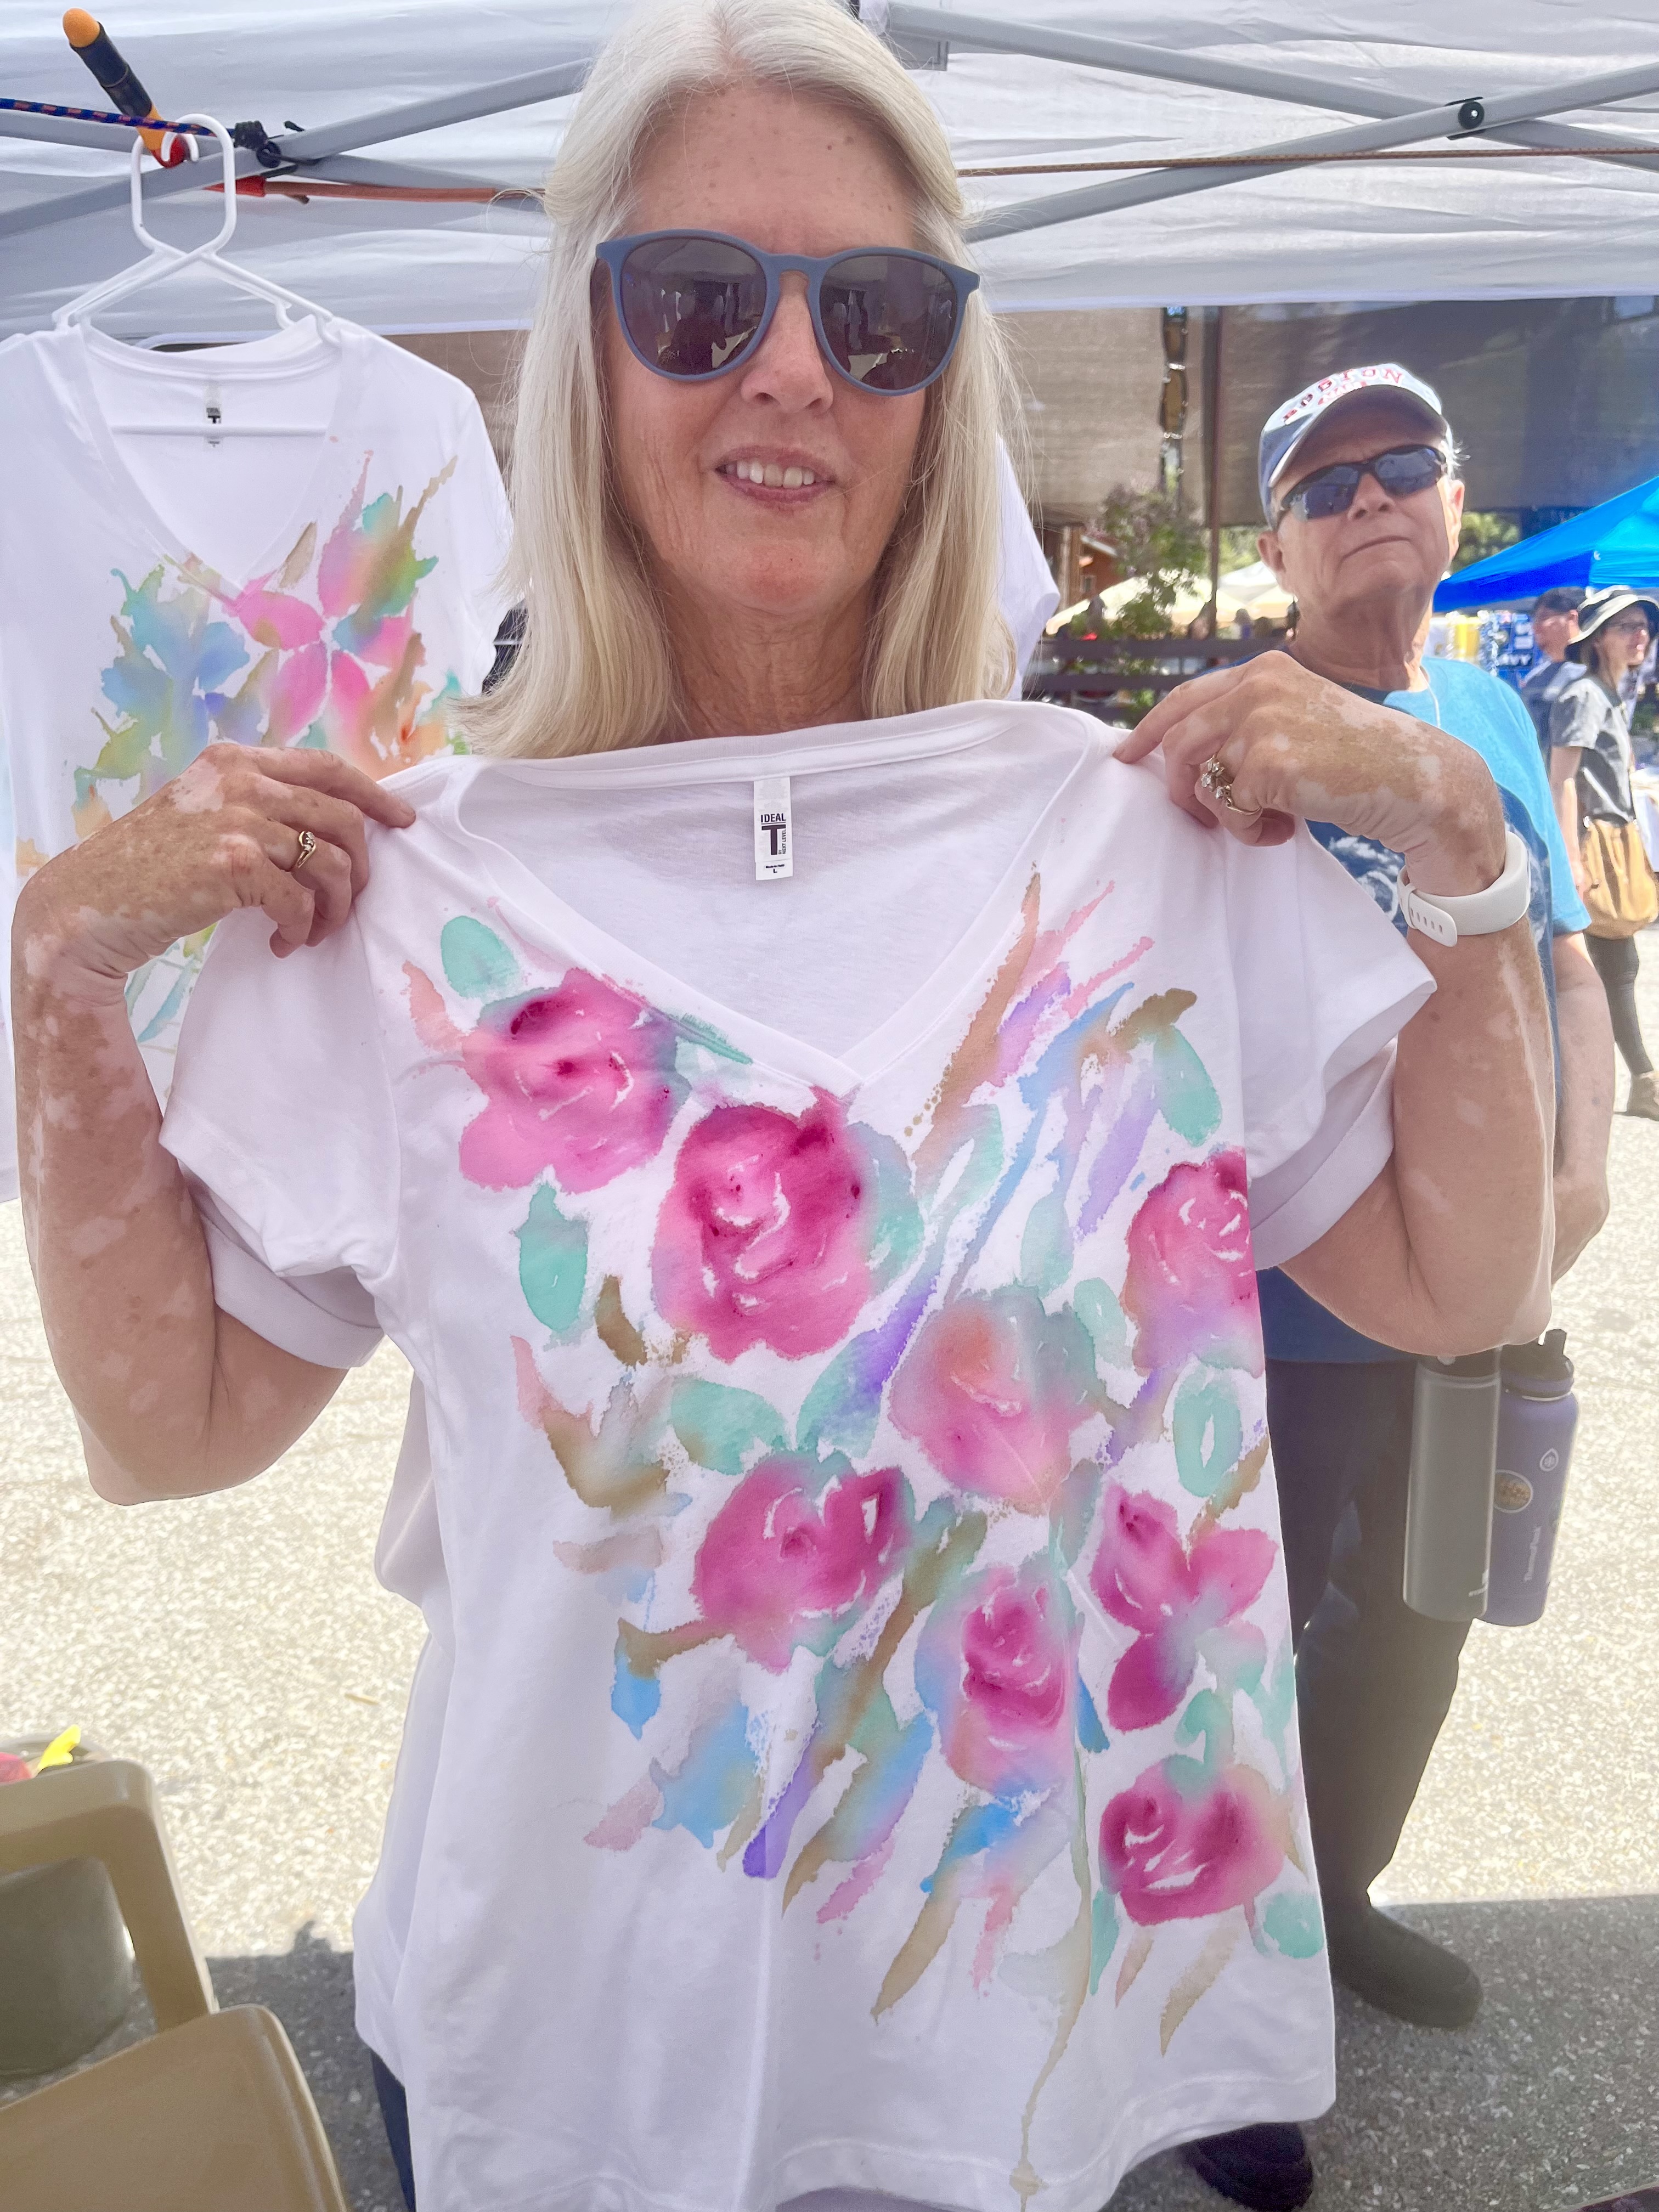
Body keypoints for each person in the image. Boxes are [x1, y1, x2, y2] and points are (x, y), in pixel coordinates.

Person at [13, 14, 1555, 2211]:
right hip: (571, 2065)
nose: (794, 370)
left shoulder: (1144, 846)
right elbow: (172, 1432)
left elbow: (1461, 1281)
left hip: (1011, 2071)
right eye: (697, 300)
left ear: (942, 379)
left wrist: (1468, 854)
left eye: (879, 314)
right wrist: (61, 974)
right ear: (587, 354)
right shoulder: (402, 903)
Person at [1180, 363, 1614, 2212]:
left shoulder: (1494, 715)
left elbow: (1563, 961)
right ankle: (1218, 2008)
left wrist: (1578, 1169)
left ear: (1454, 502)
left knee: (1421, 1615)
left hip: (1475, 1279)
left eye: (1403, 464)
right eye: (1324, 482)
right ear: (1277, 547)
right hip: (1273, 1305)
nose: (1370, 497)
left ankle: (1339, 1894)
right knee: (1238, 1656)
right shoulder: (1236, 735)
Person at [1549, 586, 1659, 1121]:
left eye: (1645, 626)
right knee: (1608, 965)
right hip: (1593, 845)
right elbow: (1562, 780)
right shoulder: (1585, 695)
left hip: (1613, 839)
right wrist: (1571, 858)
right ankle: (1643, 1082)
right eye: (1626, 626)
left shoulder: (1609, 694)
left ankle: (1635, 1081)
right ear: (1597, 639)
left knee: (1613, 964)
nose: (1641, 635)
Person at [1520, 585, 1585, 758]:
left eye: (1544, 618)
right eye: (1535, 620)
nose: (1535, 628)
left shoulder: (1590, 675)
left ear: (1572, 618)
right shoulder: (1535, 677)